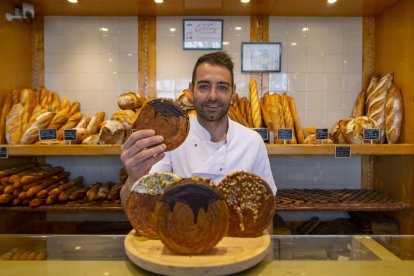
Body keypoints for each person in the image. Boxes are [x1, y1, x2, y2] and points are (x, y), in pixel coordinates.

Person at [120, 51, 276, 206]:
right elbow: (141, 206)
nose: (213, 96)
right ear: (191, 89)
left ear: (233, 92)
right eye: (204, 86)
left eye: (222, 87)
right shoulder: (170, 141)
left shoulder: (252, 142)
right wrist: (133, 178)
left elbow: (265, 207)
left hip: (236, 231)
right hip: (181, 230)